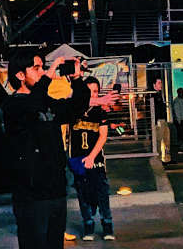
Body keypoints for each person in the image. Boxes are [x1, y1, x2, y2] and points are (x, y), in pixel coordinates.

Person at [2, 50, 113, 249]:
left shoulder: (45, 102)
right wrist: (49, 75)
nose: (42, 72)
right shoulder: (12, 105)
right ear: (20, 75)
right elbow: (32, 106)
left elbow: (76, 106)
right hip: (30, 194)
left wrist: (77, 78)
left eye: (43, 67)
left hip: (55, 189)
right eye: (36, 68)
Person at [70, 76, 115, 241]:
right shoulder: (74, 111)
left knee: (102, 193)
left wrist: (91, 157)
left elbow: (102, 136)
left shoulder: (100, 112)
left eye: (96, 91)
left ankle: (107, 227)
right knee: (83, 194)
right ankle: (88, 226)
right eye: (89, 92)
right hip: (77, 160)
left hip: (95, 160)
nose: (93, 95)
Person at [152, 78, 171, 164]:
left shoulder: (159, 94)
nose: (161, 85)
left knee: (166, 139)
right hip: (159, 120)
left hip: (162, 119)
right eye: (159, 83)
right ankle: (160, 158)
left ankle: (166, 158)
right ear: (154, 85)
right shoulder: (153, 95)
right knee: (159, 140)